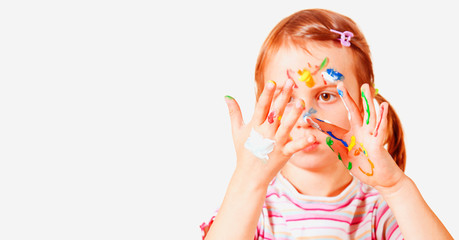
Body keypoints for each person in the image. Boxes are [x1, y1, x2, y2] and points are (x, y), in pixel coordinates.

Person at [201, 9, 453, 239]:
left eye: (326, 95)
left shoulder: (379, 209)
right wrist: (248, 179)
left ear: (364, 105)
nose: (305, 116)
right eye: (287, 98)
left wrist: (397, 188)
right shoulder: (253, 205)